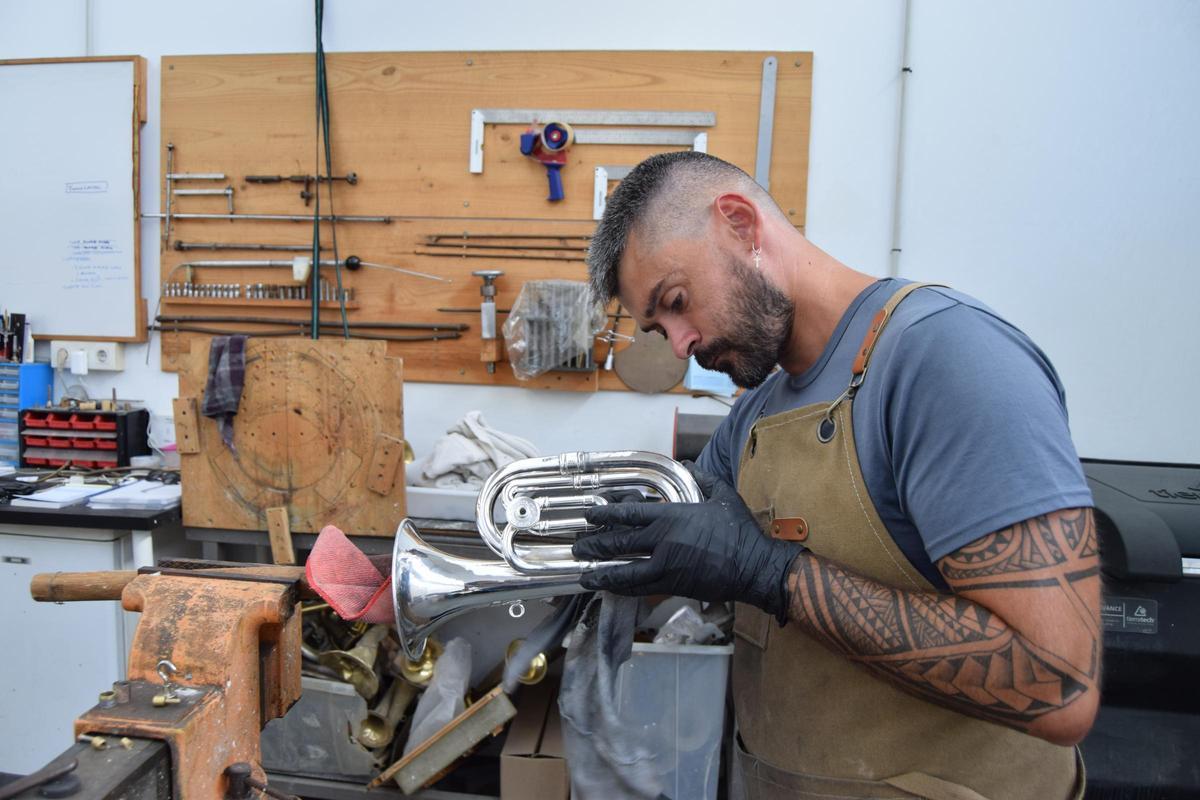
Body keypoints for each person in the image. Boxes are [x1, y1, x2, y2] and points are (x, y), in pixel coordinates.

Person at [575, 151, 1100, 800]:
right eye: (660, 329)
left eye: (676, 303)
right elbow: (685, 552)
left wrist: (774, 575)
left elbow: (1058, 686)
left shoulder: (946, 359)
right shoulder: (755, 416)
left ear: (740, 224)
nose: (680, 345)